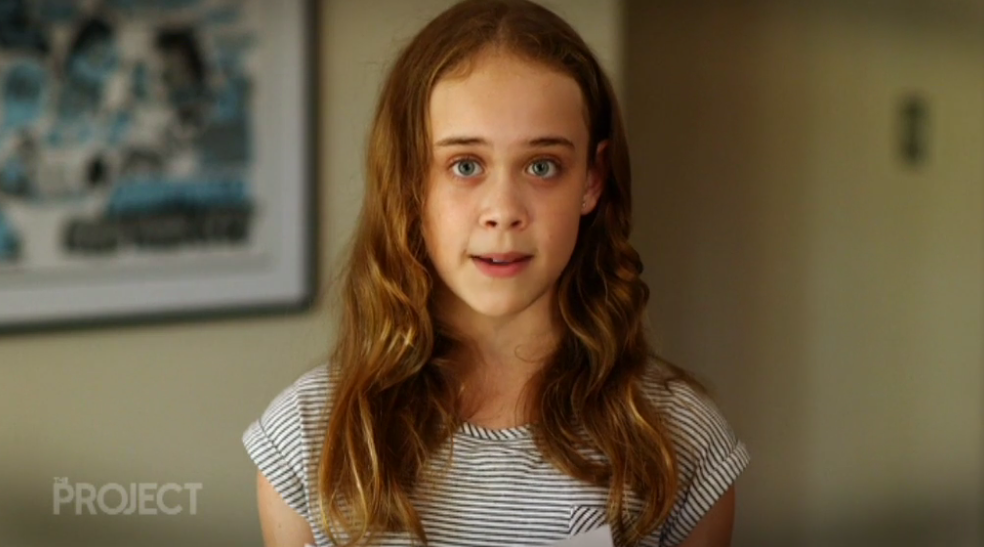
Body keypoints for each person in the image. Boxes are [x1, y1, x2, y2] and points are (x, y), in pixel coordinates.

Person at [242, 1, 749, 546]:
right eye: (465, 166)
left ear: (591, 180)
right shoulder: (307, 440)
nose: (503, 211)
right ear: (409, 181)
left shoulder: (681, 442)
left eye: (542, 166)